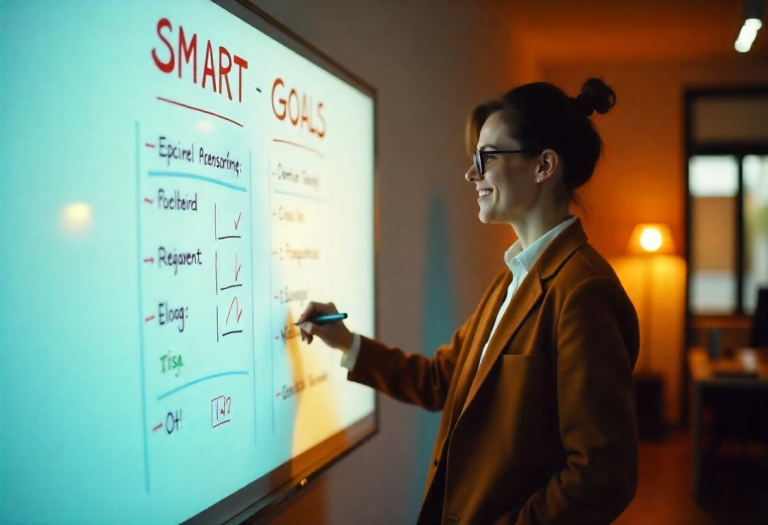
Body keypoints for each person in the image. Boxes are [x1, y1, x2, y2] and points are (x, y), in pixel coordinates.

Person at [298, 78, 640, 524]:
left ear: (544, 166)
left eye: (487, 158)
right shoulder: (511, 280)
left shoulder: (583, 290)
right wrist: (346, 342)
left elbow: (602, 474)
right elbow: (442, 379)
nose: (471, 173)